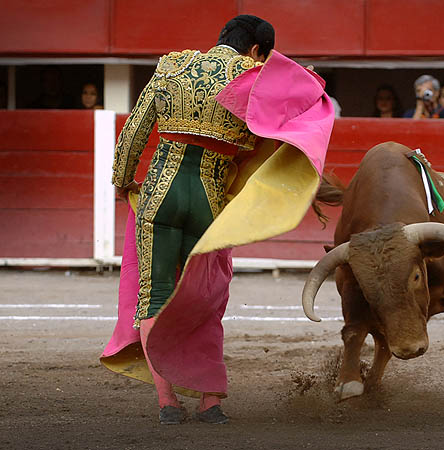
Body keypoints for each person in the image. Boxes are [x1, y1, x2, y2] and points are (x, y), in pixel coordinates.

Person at [103, 14, 334, 426]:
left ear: (222, 39)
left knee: (155, 297)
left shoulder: (172, 66)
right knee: (207, 300)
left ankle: (168, 404)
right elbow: (295, 117)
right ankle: (210, 404)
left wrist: (123, 182)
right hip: (210, 202)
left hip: (160, 193)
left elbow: (134, 133)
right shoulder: (257, 77)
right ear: (257, 50)